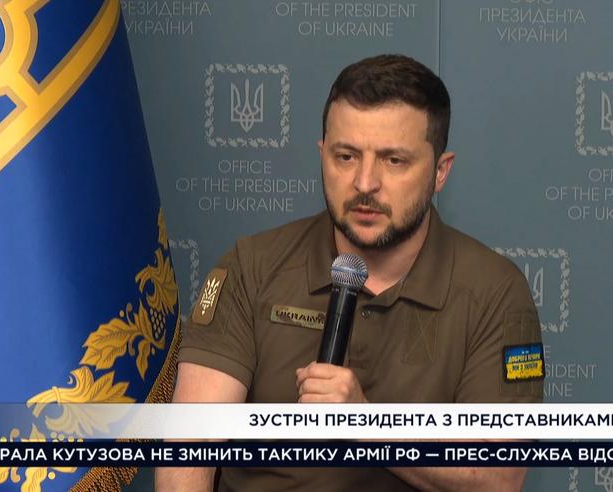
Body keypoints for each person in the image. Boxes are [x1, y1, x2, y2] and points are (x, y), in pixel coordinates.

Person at [156, 54, 544, 491]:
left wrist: (367, 425)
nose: (364, 183)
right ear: (321, 154)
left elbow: (498, 475)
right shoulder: (252, 266)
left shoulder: (496, 291)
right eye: (345, 156)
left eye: (394, 161)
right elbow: (188, 450)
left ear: (440, 171)